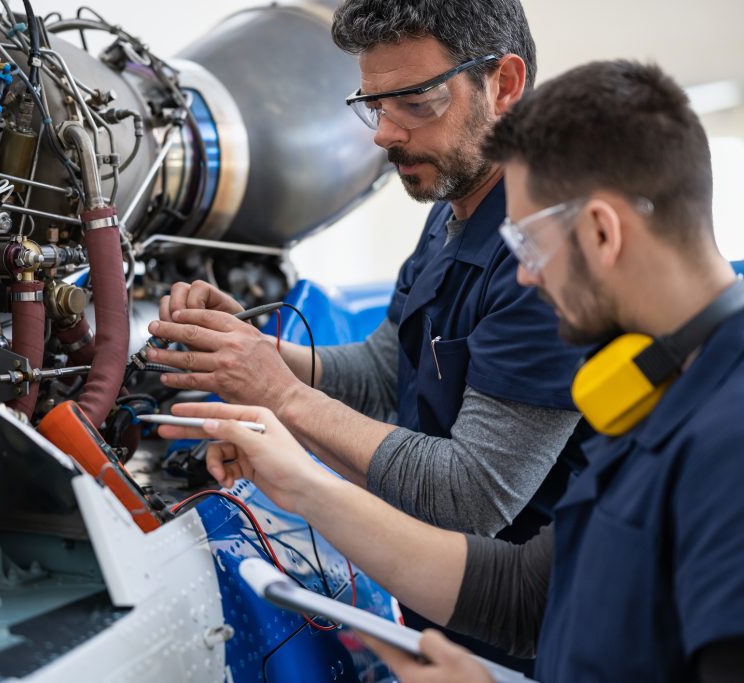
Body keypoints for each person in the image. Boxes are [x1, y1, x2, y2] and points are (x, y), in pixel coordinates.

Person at [155, 60, 744, 682]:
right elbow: (526, 595)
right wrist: (300, 485)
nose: (523, 273)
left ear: (603, 233)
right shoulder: (657, 390)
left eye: (527, 243)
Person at [146, 0, 585, 542]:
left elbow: (474, 495)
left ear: (505, 84)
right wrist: (252, 350)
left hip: (533, 620)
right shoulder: (455, 209)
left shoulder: (553, 255)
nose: (384, 135)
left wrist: (280, 396)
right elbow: (386, 374)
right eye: (376, 105)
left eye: (417, 102)